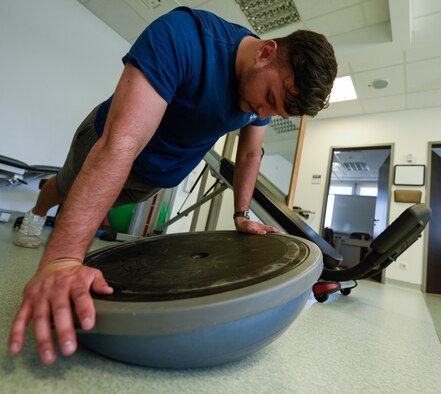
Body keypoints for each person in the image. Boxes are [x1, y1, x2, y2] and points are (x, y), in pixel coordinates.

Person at [9, 6, 337, 364]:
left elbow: (249, 154)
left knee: (99, 205)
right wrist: (62, 259)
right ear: (265, 52)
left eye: (276, 113)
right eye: (270, 100)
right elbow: (122, 143)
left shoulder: (260, 99)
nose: (262, 115)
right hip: (106, 145)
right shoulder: (186, 37)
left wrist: (241, 213)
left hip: (153, 178)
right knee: (65, 191)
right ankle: (38, 211)